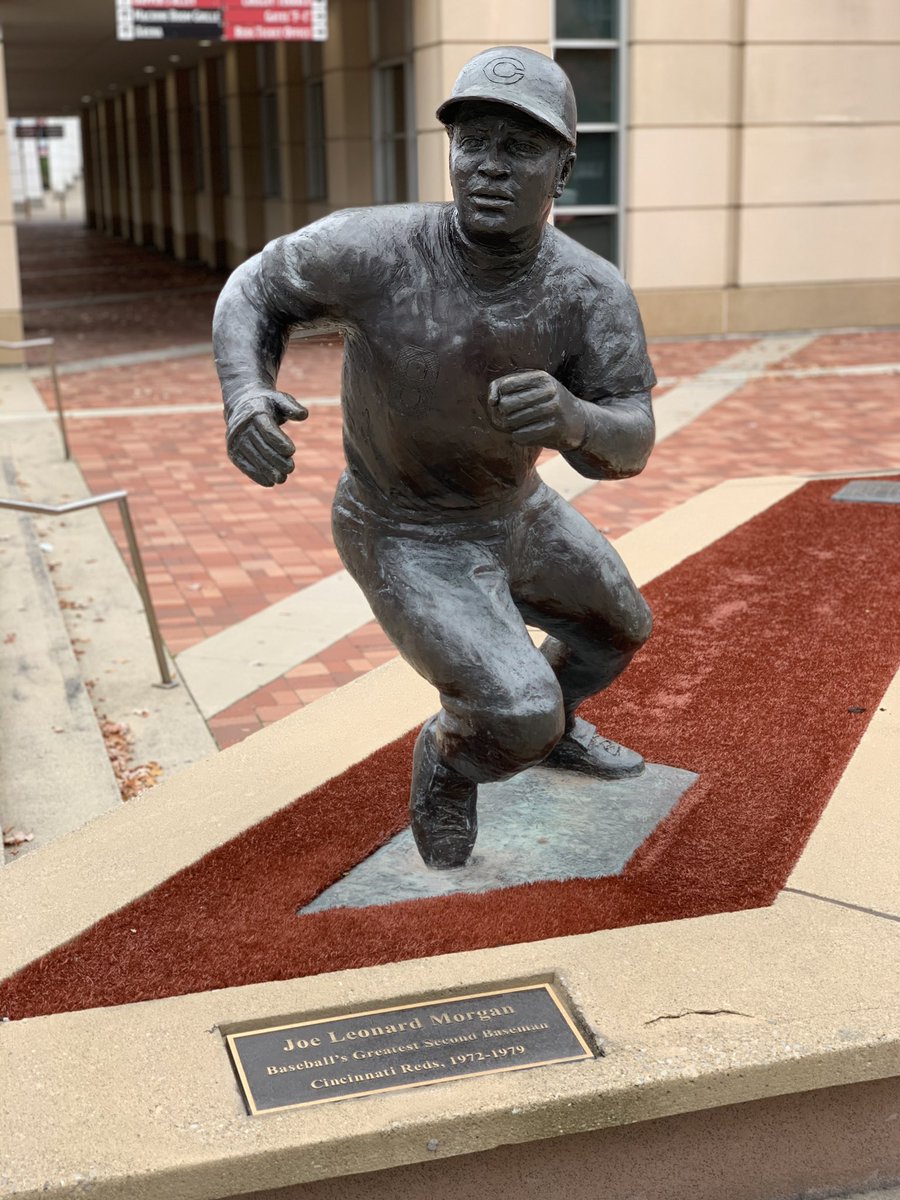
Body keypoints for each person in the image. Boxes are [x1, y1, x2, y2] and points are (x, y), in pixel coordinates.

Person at [213, 47, 656, 871]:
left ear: (564, 167)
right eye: (472, 141)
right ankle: (453, 761)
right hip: (402, 527)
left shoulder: (591, 292)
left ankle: (536, 734)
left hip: (513, 511)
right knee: (517, 711)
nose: (488, 166)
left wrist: (576, 418)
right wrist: (246, 392)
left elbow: (630, 437)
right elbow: (254, 291)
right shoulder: (372, 247)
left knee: (617, 630)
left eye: (519, 148)